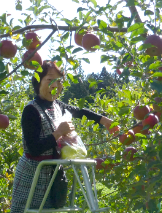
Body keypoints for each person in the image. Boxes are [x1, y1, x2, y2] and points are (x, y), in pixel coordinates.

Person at [10, 61, 115, 212]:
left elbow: (80, 111)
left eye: (59, 80)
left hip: (53, 175)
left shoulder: (58, 106)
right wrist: (58, 133)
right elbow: (33, 148)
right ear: (38, 82)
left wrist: (104, 121)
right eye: (50, 79)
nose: (56, 84)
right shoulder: (31, 110)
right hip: (32, 176)